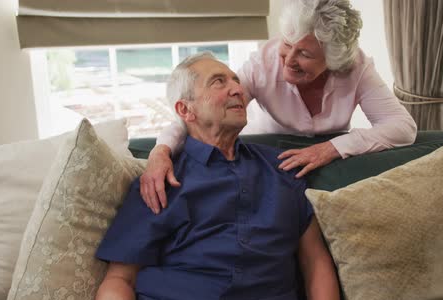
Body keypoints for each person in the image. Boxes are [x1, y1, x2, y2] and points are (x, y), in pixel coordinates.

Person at [95, 52, 340, 300]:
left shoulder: (282, 168)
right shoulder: (158, 180)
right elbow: (119, 280)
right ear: (185, 110)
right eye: (219, 82)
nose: (238, 89)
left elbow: (315, 263)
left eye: (236, 81)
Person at [141, 0, 417, 214]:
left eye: (305, 54)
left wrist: (332, 148)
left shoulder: (357, 68)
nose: (288, 59)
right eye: (287, 44)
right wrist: (160, 151)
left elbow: (402, 127)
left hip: (327, 161)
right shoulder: (263, 63)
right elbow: (198, 112)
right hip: (270, 162)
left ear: (331, 61)